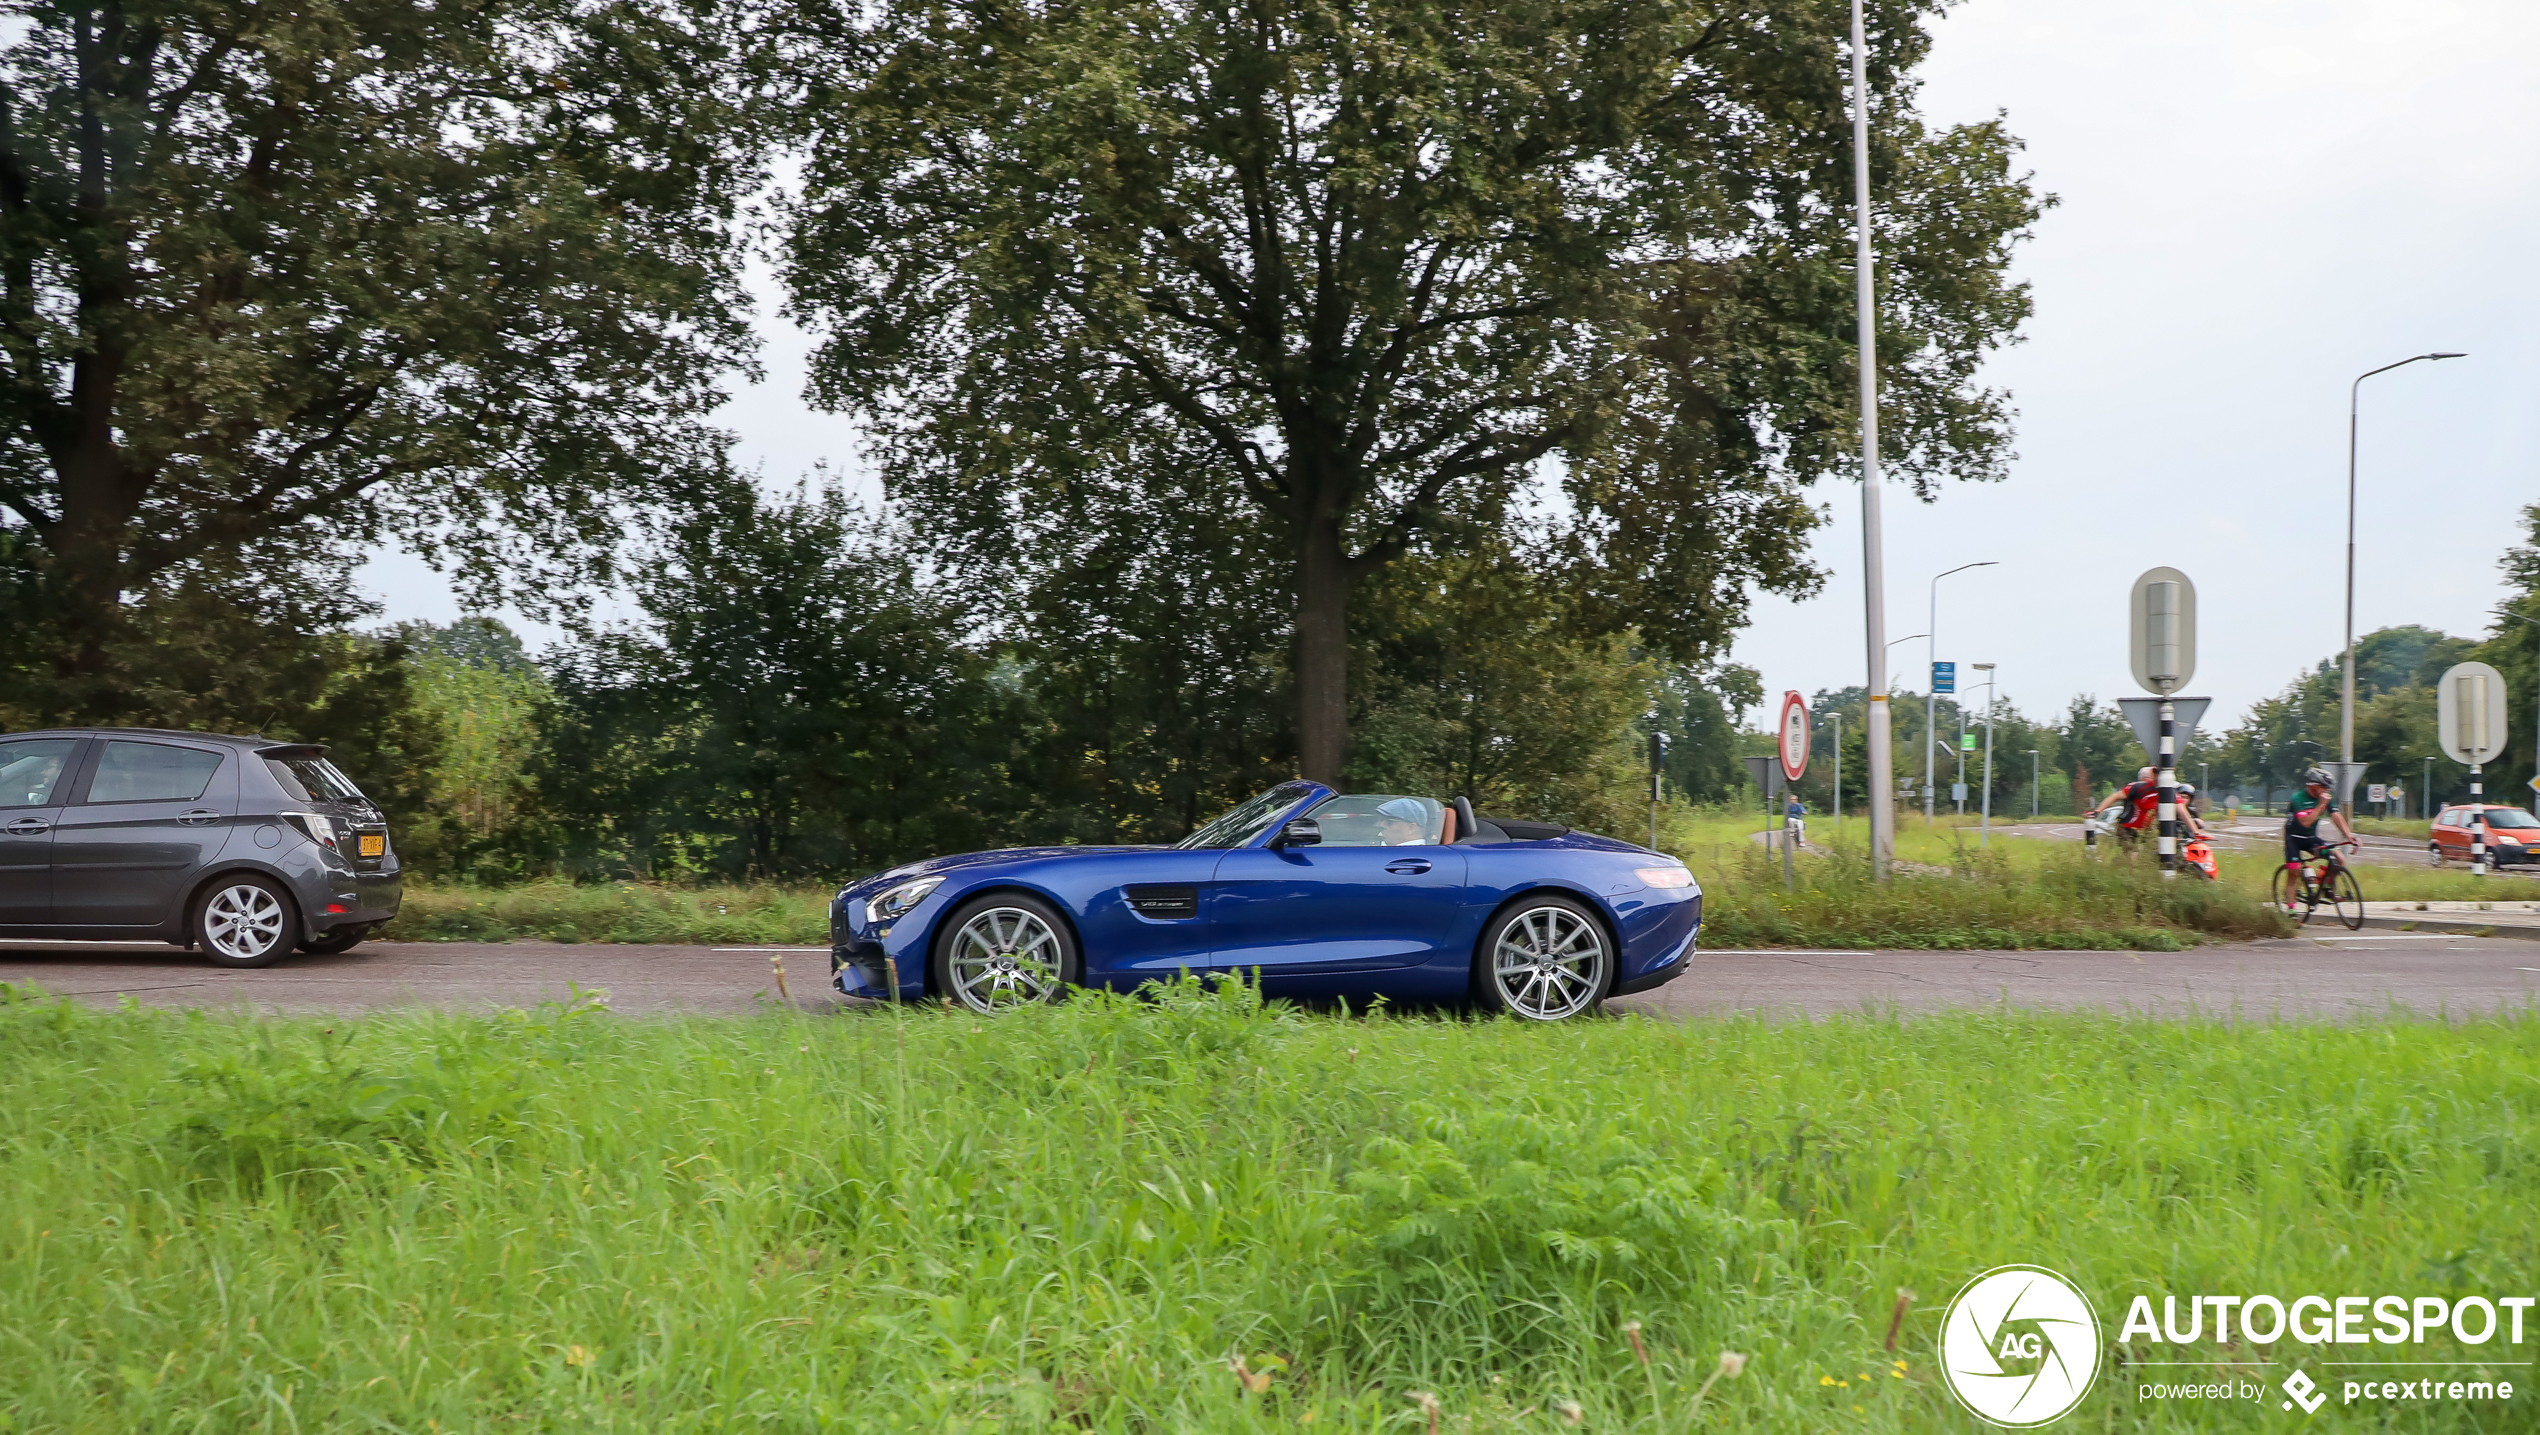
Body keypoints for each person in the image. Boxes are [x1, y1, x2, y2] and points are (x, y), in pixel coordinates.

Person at [2281, 767, 2356, 903]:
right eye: (2325, 787)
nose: (2328, 790)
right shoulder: (2297, 798)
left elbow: (2336, 816)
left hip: (2310, 839)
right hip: (2293, 840)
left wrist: (2349, 836)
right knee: (2294, 873)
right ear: (2313, 786)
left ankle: (2327, 887)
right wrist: (2321, 806)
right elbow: (2306, 822)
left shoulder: (2325, 798)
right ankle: (2291, 911)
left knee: (2339, 858)